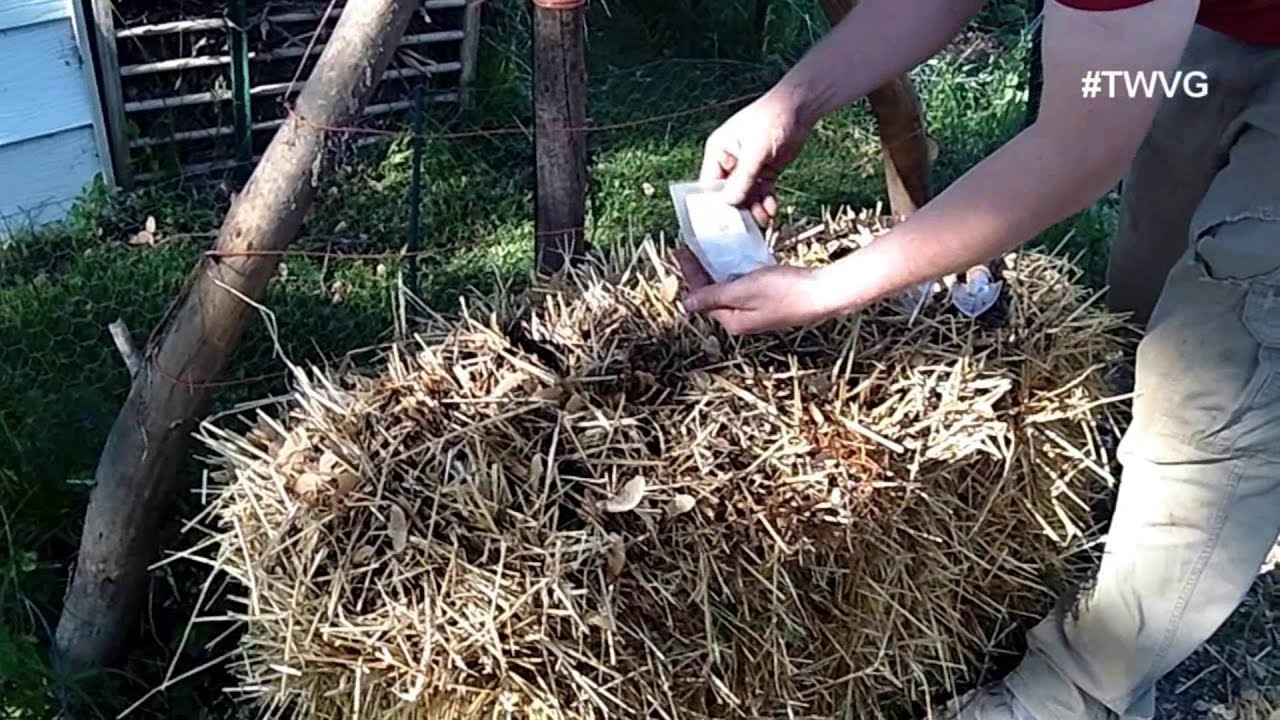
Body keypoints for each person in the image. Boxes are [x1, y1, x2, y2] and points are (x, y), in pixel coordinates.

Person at [677, 0, 1280, 718]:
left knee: (1216, 378)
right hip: (1226, 25)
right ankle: (1125, 543)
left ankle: (1078, 693)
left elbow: (1078, 151)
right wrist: (795, 100)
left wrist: (831, 288)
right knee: (1147, 294)